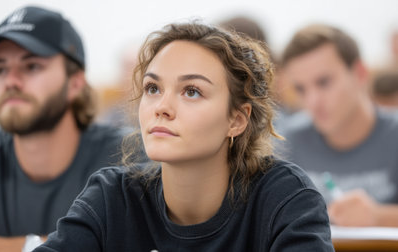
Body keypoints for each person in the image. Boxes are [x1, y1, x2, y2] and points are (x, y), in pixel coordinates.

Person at [35, 22, 333, 251]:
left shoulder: (285, 197)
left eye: (192, 91)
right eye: (153, 88)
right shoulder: (113, 197)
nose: (161, 108)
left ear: (237, 120)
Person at [0, 6, 124, 251]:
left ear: (75, 83)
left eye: (31, 66)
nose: (10, 81)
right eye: (0, 69)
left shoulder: (124, 158)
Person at [280, 24, 398, 227]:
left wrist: (379, 216)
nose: (313, 101)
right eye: (301, 89)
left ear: (360, 74)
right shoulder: (284, 143)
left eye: (324, 82)